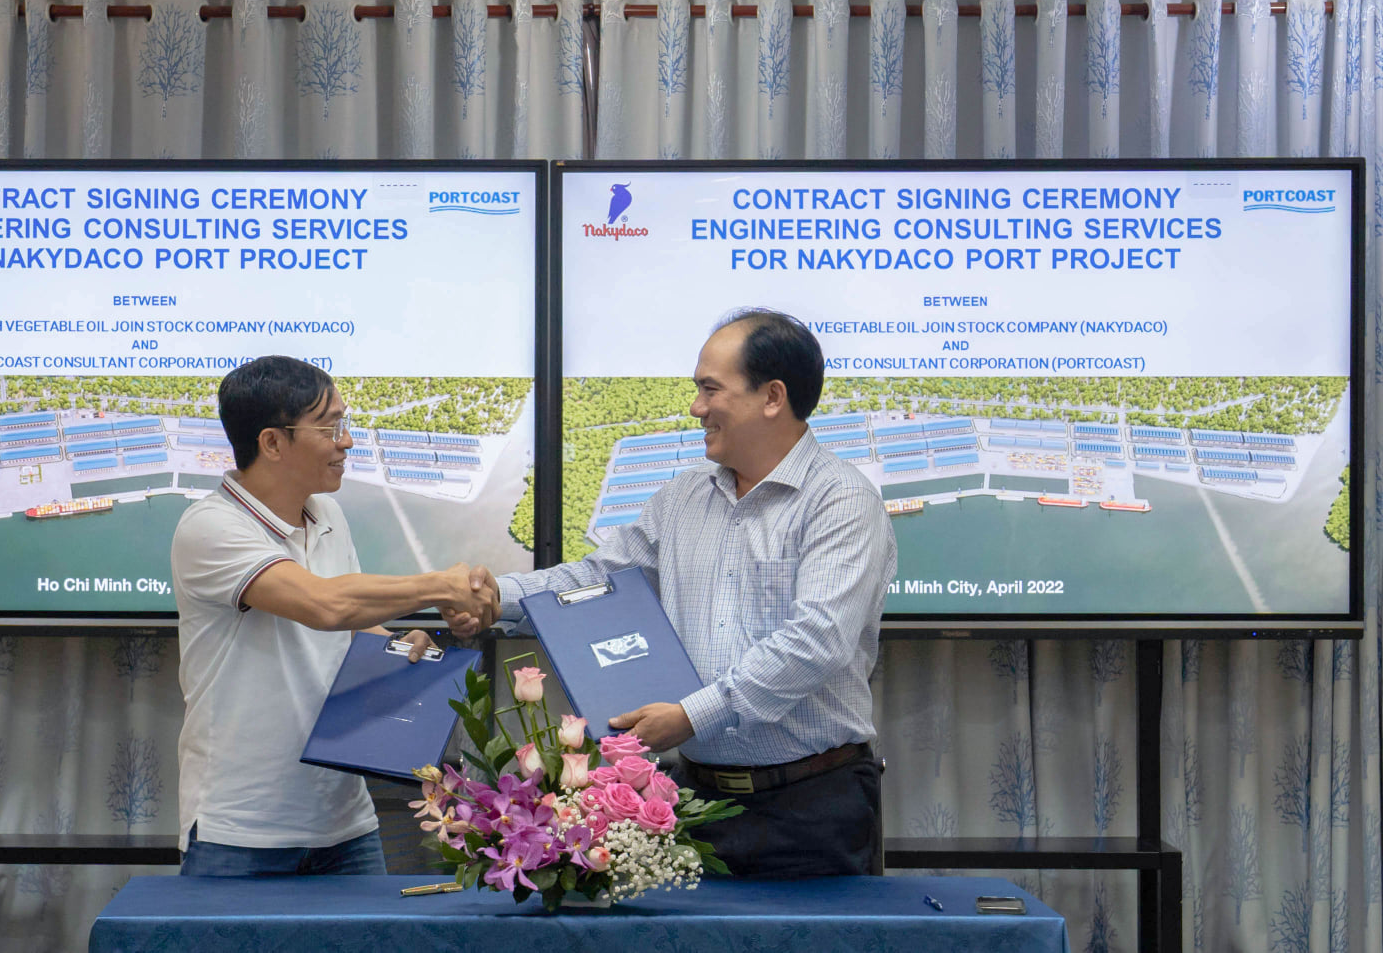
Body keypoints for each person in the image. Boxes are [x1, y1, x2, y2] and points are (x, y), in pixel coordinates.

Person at [486, 308, 897, 878]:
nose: (696, 407)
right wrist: (490, 597)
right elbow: (598, 580)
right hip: (694, 805)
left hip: (811, 806)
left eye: (710, 389)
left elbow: (817, 641)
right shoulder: (683, 497)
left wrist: (691, 715)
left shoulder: (841, 500)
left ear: (772, 397)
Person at [171, 355, 498, 877]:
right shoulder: (211, 526)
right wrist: (440, 585)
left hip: (344, 823)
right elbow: (323, 604)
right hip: (242, 828)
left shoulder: (327, 514)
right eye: (330, 428)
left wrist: (398, 642)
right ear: (273, 442)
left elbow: (349, 622)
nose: (346, 441)